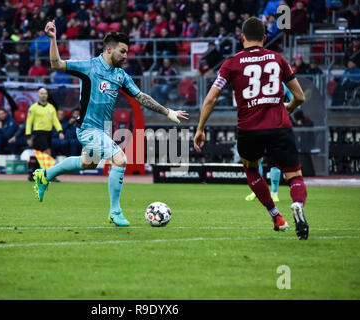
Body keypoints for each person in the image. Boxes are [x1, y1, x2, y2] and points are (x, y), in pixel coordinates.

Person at [36, 24, 188, 227]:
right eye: (122, 51)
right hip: (88, 129)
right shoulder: (88, 67)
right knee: (120, 159)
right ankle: (115, 212)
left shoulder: (121, 75)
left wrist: (167, 112)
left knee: (87, 164)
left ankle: (45, 175)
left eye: (127, 52)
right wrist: (53, 39)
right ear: (109, 49)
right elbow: (56, 64)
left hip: (103, 130)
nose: (126, 56)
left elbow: (141, 97)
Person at [193, 17, 309, 240]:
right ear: (265, 38)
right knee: (294, 176)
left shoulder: (231, 63)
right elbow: (299, 96)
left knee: (252, 169)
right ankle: (297, 205)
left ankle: (276, 216)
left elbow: (211, 98)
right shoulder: (278, 59)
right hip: (279, 126)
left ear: (242, 37)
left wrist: (200, 128)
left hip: (249, 129)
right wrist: (287, 110)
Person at [245, 83, 292, 203]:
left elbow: (296, 103)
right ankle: (257, 191)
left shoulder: (284, 84)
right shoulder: (257, 80)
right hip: (258, 126)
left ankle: (274, 192)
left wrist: (279, 108)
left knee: (275, 160)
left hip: (276, 127)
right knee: (255, 160)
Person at [25, 88, 63, 157]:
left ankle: (40, 167)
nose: (43, 95)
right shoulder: (33, 108)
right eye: (41, 93)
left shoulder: (51, 107)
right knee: (47, 151)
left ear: (47, 95)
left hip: (48, 133)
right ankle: (49, 167)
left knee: (40, 154)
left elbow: (55, 120)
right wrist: (28, 136)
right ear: (38, 95)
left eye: (45, 93)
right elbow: (29, 122)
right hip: (38, 133)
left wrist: (60, 131)